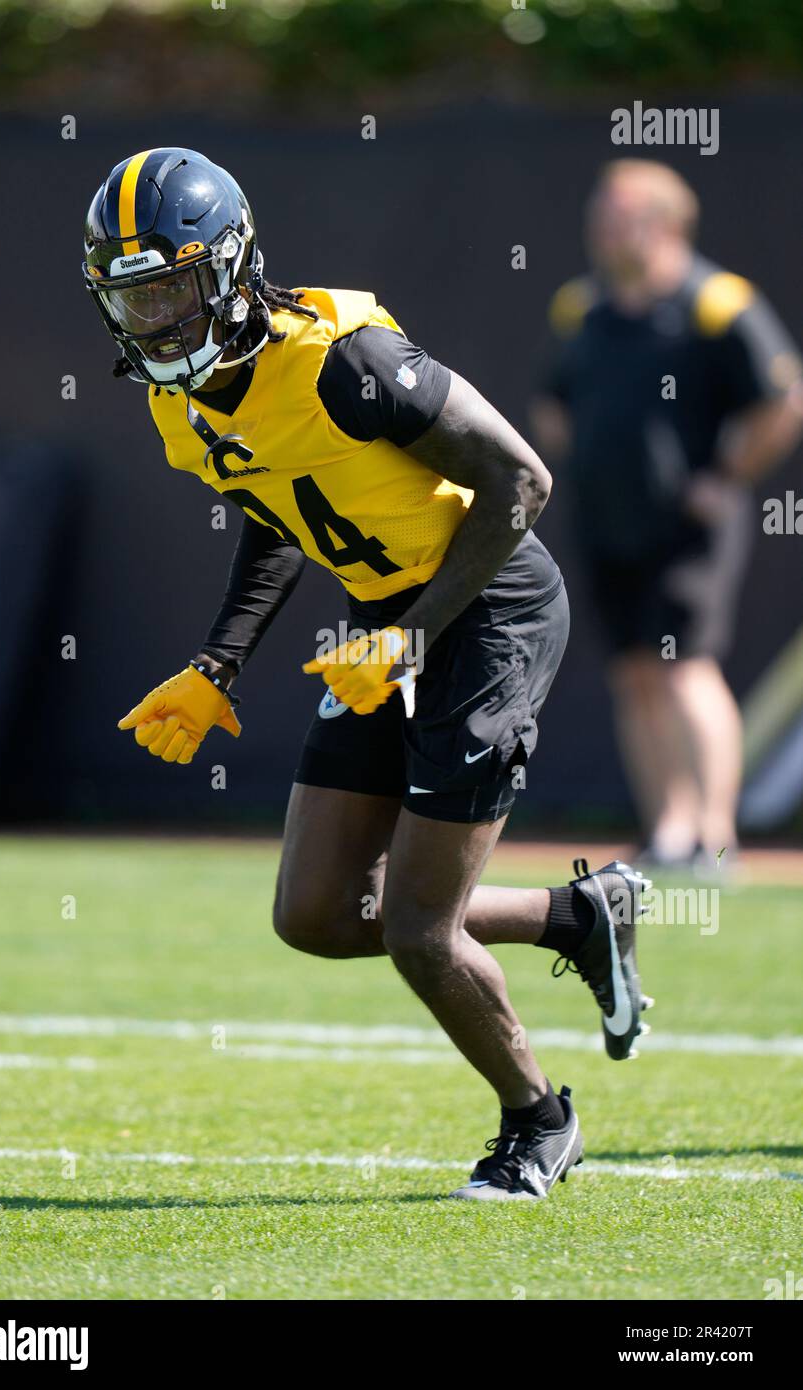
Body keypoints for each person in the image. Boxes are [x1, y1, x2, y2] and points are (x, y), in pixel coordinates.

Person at [84, 147, 651, 1202]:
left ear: (226, 268)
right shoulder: (185, 399)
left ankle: (539, 1121)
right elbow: (276, 515)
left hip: (486, 612)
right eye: (130, 299)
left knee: (417, 930)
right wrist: (218, 667)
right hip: (386, 622)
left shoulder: (347, 359)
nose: (152, 320)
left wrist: (415, 634)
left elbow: (519, 480)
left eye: (166, 289)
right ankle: (581, 917)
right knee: (314, 911)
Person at [533, 160, 803, 870]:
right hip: (605, 521)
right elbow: (554, 403)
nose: (601, 230)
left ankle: (715, 839)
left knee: (686, 668)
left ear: (664, 223)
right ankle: (669, 833)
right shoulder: (581, 307)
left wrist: (726, 476)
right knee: (635, 673)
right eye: (600, 216)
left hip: (687, 530)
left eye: (616, 216)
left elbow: (784, 401)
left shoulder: (717, 303)